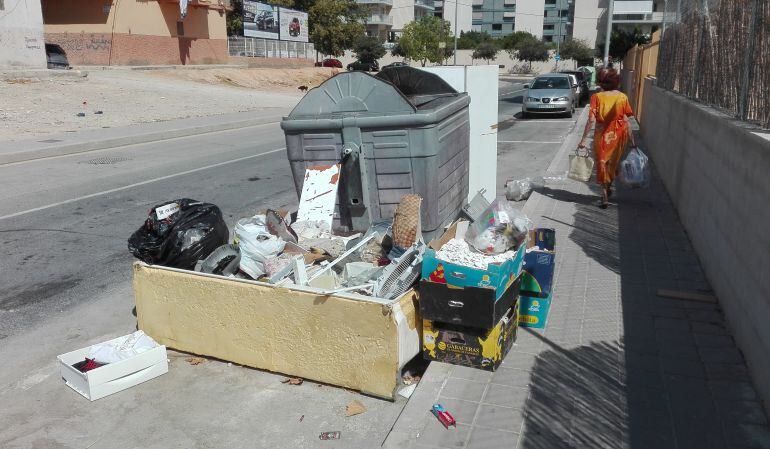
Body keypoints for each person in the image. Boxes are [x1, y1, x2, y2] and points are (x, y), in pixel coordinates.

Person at [578, 68, 636, 208]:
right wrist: (632, 141)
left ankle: (604, 192)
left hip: (602, 134)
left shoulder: (596, 97)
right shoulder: (622, 97)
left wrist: (583, 140)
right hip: (619, 134)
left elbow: (591, 120)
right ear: (616, 81)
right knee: (613, 163)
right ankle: (607, 188)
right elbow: (626, 119)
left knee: (602, 162)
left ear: (601, 82)